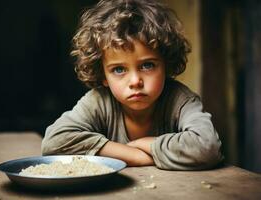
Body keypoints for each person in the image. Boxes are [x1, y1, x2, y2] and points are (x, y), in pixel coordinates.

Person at [41, 0, 224, 170]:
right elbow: (54, 141)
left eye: (147, 65)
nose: (135, 81)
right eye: (119, 69)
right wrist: (135, 156)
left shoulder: (180, 100)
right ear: (103, 74)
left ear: (166, 65)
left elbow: (207, 146)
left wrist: (148, 144)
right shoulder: (99, 101)